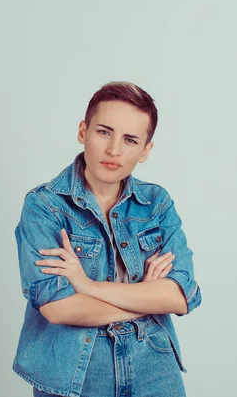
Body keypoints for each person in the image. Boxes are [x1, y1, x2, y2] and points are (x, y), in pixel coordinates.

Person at [13, 81, 201, 397]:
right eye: (104, 132)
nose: (114, 150)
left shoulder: (156, 204)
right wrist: (145, 298)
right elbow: (58, 309)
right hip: (76, 373)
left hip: (153, 366)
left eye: (130, 140)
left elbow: (181, 297)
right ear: (82, 131)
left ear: (145, 151)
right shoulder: (44, 206)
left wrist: (88, 287)